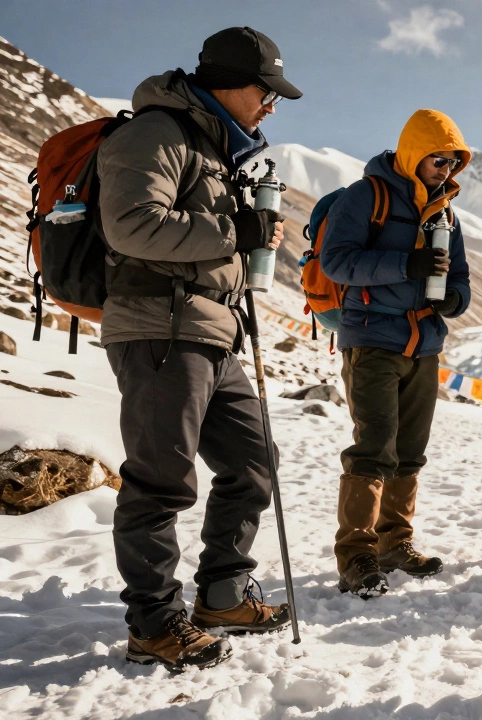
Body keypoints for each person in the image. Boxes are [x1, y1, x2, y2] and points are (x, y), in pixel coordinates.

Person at [96, 27, 300, 670]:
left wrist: (241, 245)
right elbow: (131, 225)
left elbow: (211, 243)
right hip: (158, 328)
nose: (272, 105)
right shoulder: (156, 133)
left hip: (210, 332)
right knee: (161, 482)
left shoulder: (218, 148)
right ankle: (154, 624)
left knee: (254, 462)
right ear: (230, 84)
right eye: (267, 91)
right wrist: (233, 230)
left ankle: (221, 596)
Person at [319, 110, 472, 598]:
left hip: (424, 345)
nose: (445, 169)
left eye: (453, 161)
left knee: (410, 451)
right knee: (373, 448)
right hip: (372, 339)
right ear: (412, 153)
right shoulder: (366, 196)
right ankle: (357, 555)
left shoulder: (447, 210)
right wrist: (408, 263)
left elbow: (462, 279)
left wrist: (454, 299)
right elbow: (338, 262)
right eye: (438, 158)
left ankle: (395, 545)